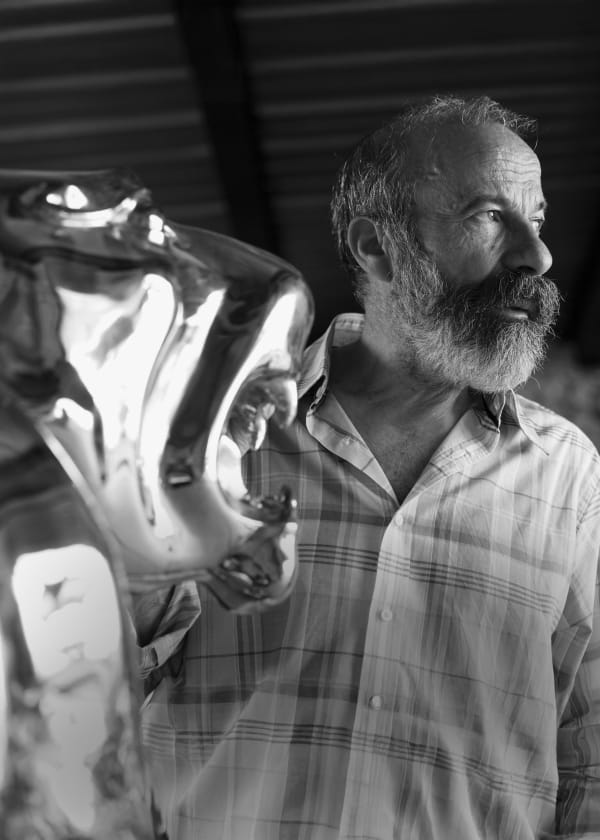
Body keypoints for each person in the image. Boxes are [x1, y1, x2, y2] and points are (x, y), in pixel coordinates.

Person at [135, 94, 600, 839]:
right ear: (378, 248)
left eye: (537, 220)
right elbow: (96, 677)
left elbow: (591, 750)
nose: (537, 257)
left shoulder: (567, 474)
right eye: (489, 216)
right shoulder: (215, 430)